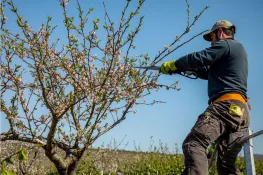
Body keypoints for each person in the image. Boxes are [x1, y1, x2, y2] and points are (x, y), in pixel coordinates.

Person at [160, 20, 250, 175]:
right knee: (225, 164)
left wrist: (175, 64)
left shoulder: (226, 45)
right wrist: (184, 70)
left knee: (194, 144)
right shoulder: (236, 53)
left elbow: (200, 58)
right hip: (240, 113)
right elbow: (206, 71)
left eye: (212, 38)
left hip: (224, 107)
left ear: (220, 32)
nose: (211, 44)